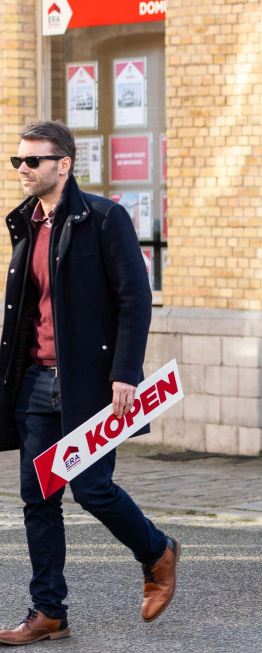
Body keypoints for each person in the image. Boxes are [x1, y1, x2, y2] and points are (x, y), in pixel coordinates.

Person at [0, 121, 180, 646]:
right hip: (35, 380)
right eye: (18, 161)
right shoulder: (24, 223)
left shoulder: (103, 218)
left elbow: (134, 299)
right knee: (37, 498)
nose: (24, 170)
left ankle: (157, 552)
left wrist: (125, 372)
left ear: (65, 164)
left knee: (92, 489)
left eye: (33, 161)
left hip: (91, 384)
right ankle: (48, 611)